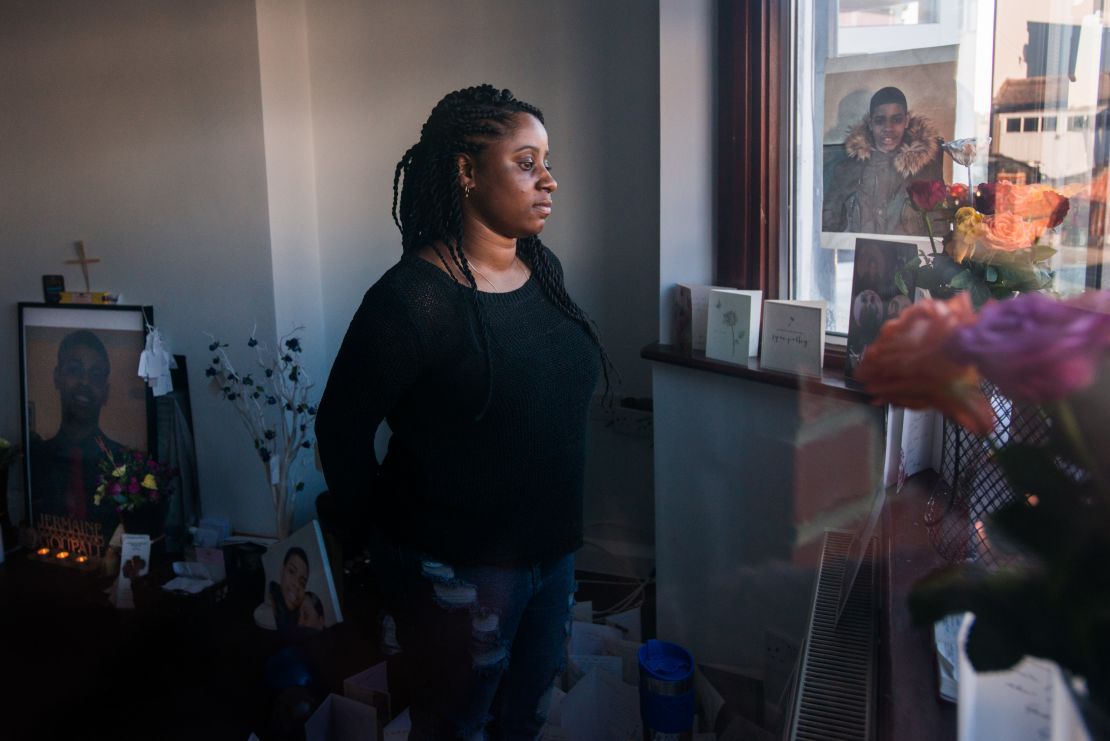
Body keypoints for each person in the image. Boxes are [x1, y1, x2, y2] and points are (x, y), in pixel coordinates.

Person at [315, 84, 614, 739]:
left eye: (548, 162)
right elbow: (339, 429)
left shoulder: (542, 266)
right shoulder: (413, 302)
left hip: (551, 556)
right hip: (460, 573)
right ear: (467, 172)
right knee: (456, 725)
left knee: (524, 715)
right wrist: (385, 551)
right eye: (527, 161)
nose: (550, 181)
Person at [29, 329, 126, 539]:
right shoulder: (35, 458)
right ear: (57, 377)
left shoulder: (124, 461)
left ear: (106, 392)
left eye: (95, 375)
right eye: (74, 370)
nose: (85, 383)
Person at [823, 86, 943, 235]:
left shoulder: (926, 170)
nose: (888, 128)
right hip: (855, 255)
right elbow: (828, 226)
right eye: (880, 121)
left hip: (910, 257)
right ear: (870, 123)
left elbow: (939, 231)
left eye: (896, 120)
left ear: (906, 121)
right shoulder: (847, 169)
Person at [269, 546, 309, 631]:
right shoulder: (268, 600)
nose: (297, 585)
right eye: (291, 571)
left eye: (302, 583)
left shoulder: (302, 621)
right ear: (282, 571)